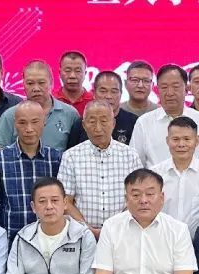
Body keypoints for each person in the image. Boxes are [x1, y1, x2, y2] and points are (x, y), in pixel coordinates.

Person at [58, 101, 142, 239]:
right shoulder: (71, 156)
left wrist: (115, 229)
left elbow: (137, 196)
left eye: (103, 121)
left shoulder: (130, 155)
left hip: (122, 234)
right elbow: (66, 201)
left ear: (113, 123)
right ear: (84, 125)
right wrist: (88, 230)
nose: (98, 128)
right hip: (81, 235)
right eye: (92, 122)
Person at [0, 100, 64, 241]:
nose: (29, 129)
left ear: (44, 122)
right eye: (22, 123)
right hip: (10, 240)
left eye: (35, 122)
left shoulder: (56, 158)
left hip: (50, 240)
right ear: (15, 124)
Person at [151, 116, 199, 237]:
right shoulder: (155, 174)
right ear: (167, 140)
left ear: (197, 141)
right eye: (175, 139)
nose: (181, 144)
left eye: (187, 139)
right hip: (163, 241)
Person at [131, 65, 199, 166]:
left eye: (175, 87)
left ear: (187, 89)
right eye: (164, 87)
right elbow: (135, 163)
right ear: (158, 90)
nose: (170, 93)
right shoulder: (143, 123)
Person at [0, 60, 79, 151]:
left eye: (41, 83)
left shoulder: (70, 114)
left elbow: (77, 151)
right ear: (23, 84)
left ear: (51, 83)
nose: (36, 89)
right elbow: (0, 152)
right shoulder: (10, 115)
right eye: (30, 83)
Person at [66, 70, 138, 147]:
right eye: (103, 91)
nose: (108, 96)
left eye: (114, 92)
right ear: (94, 93)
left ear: (121, 94)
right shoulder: (81, 124)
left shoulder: (134, 122)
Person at [55, 50, 95, 115]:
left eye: (78, 71)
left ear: (85, 74)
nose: (72, 76)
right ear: (60, 73)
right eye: (68, 70)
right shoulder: (51, 101)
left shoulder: (93, 102)